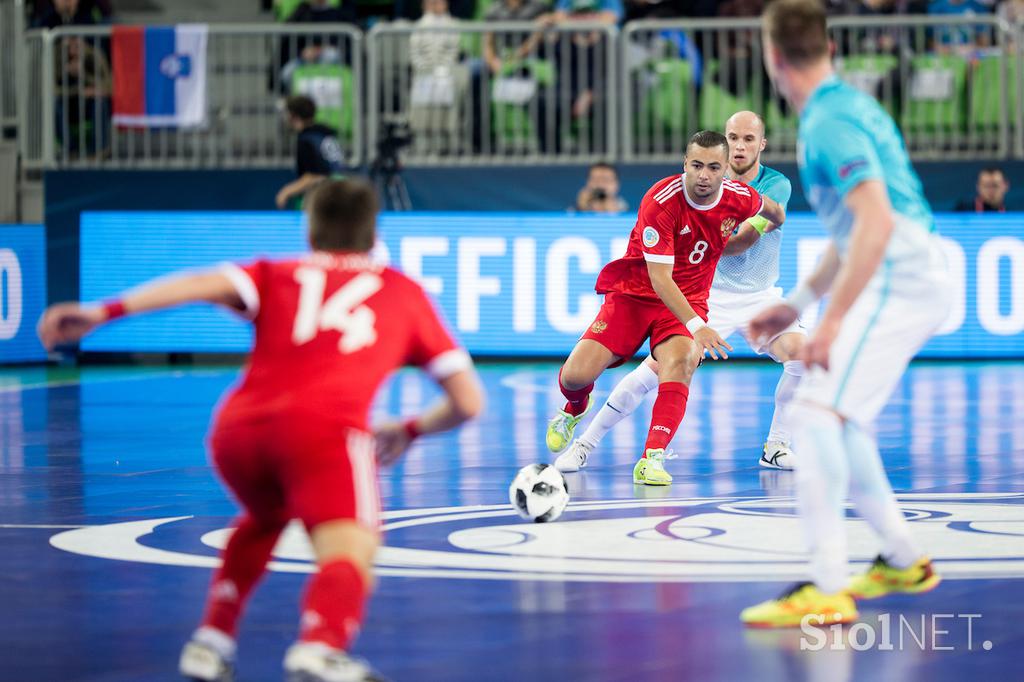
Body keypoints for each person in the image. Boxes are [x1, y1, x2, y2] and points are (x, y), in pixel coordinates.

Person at [37, 179, 484, 682]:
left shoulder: (279, 272)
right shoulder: (404, 293)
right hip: (325, 431)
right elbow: (468, 401)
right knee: (352, 546)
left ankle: (211, 640)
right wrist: (409, 429)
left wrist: (104, 312)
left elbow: (199, 284)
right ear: (372, 231)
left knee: (265, 515)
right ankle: (320, 644)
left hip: (238, 432)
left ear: (310, 231)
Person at [741, 0, 951, 628]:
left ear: (773, 59)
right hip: (912, 266)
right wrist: (798, 304)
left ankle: (826, 587)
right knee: (842, 417)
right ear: (827, 49)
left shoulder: (828, 124)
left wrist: (828, 326)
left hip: (904, 272)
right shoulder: (848, 108)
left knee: (810, 412)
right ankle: (902, 558)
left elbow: (878, 224)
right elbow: (852, 225)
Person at [555, 111, 802, 475]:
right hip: (707, 293)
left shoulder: (770, 185)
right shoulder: (686, 191)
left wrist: (732, 225)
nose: (739, 146)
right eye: (733, 137)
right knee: (653, 373)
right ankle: (583, 444)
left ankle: (776, 445)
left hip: (758, 296)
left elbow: (745, 239)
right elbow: (669, 268)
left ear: (761, 144)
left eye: (749, 139)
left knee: (802, 357)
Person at [277, 96, 346, 210]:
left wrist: (286, 191)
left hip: (325, 197)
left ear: (293, 116)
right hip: (342, 191)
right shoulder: (325, 134)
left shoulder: (306, 140)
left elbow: (314, 175)